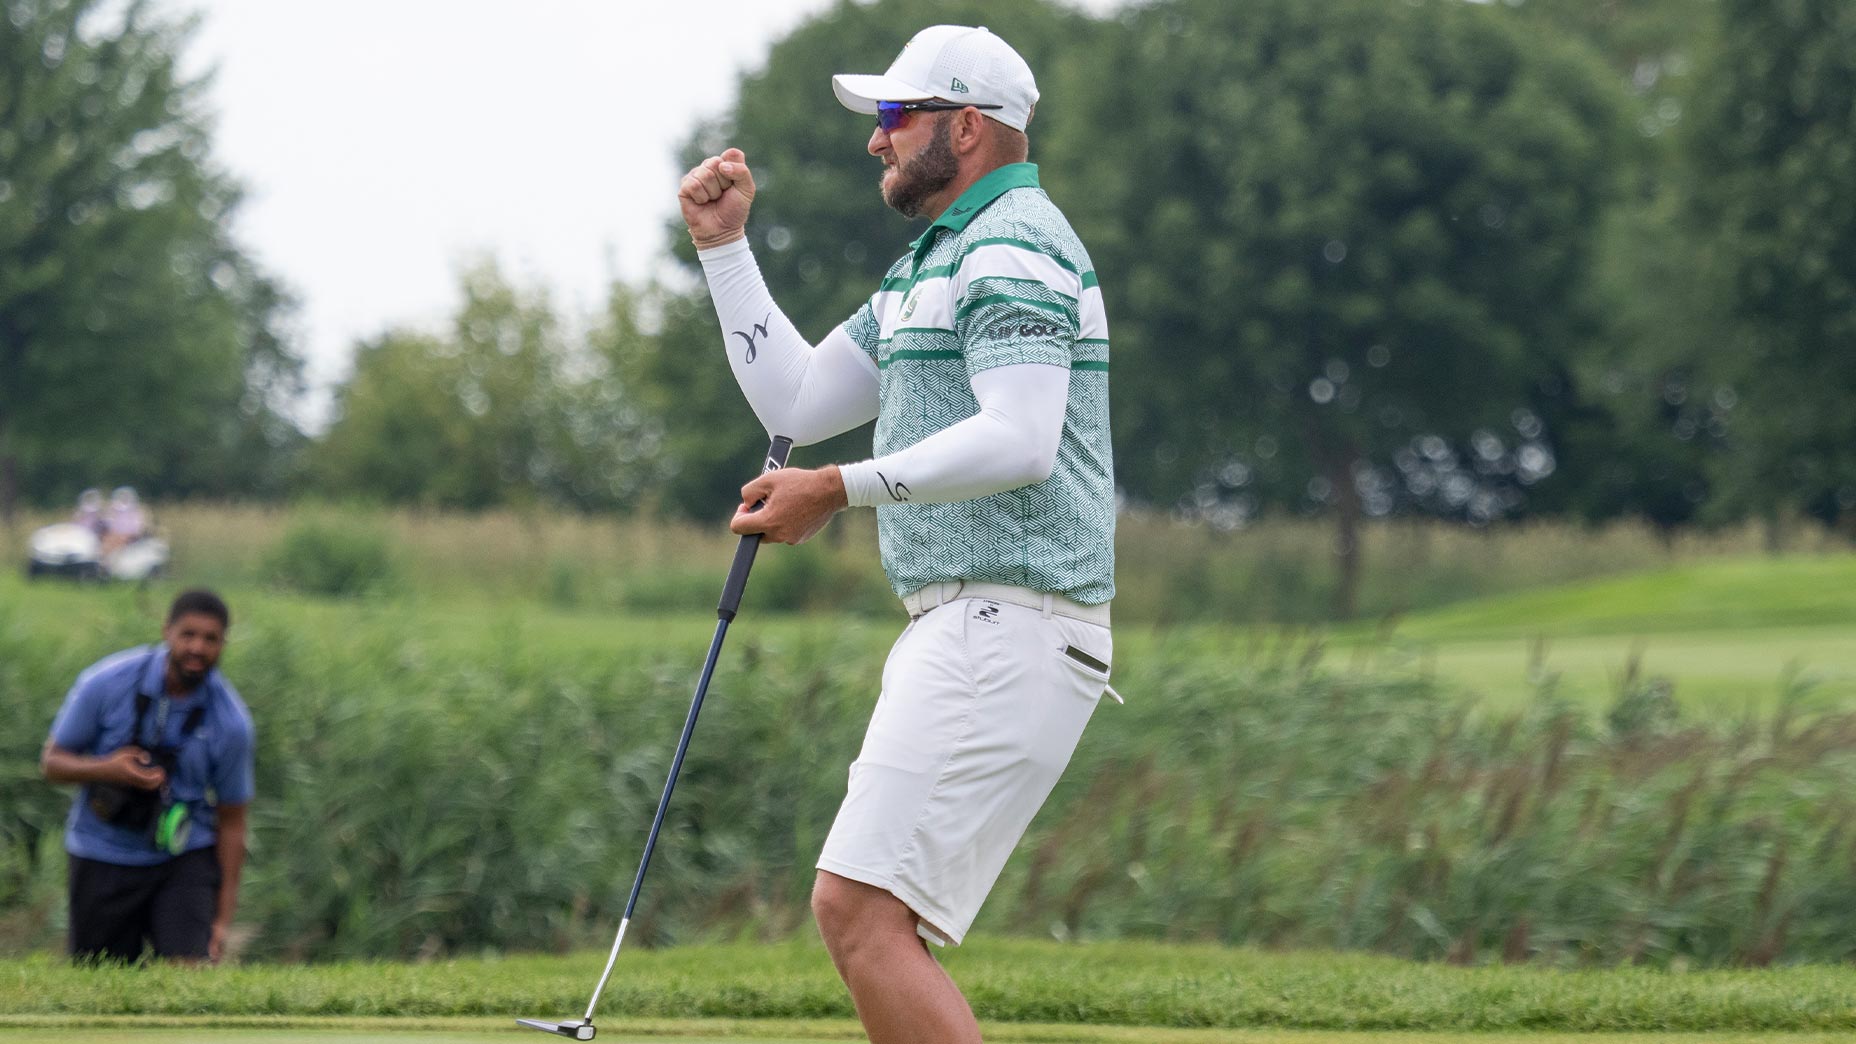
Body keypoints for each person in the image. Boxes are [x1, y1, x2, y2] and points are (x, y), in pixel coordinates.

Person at [679, 24, 1116, 1044]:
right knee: (862, 914)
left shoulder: (1013, 245)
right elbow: (794, 395)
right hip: (968, 625)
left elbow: (1020, 439)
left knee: (858, 913)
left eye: (893, 117)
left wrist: (835, 487)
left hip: (1007, 620)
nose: (876, 141)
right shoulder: (936, 262)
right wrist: (723, 249)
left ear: (965, 128)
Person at [40, 589, 255, 964]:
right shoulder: (105, 683)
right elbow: (52, 763)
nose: (198, 648)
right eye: (188, 634)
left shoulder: (231, 723)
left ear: (223, 643)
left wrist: (222, 920)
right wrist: (107, 769)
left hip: (182, 855)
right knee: (98, 984)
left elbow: (233, 823)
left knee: (189, 976)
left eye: (211, 639)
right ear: (167, 631)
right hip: (101, 850)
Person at [100, 486, 147, 556]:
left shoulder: (136, 512)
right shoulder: (113, 510)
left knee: (116, 542)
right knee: (107, 541)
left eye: (125, 498)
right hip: (115, 535)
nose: (123, 500)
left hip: (129, 537)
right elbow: (108, 524)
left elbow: (138, 528)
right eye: (121, 498)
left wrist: (126, 535)